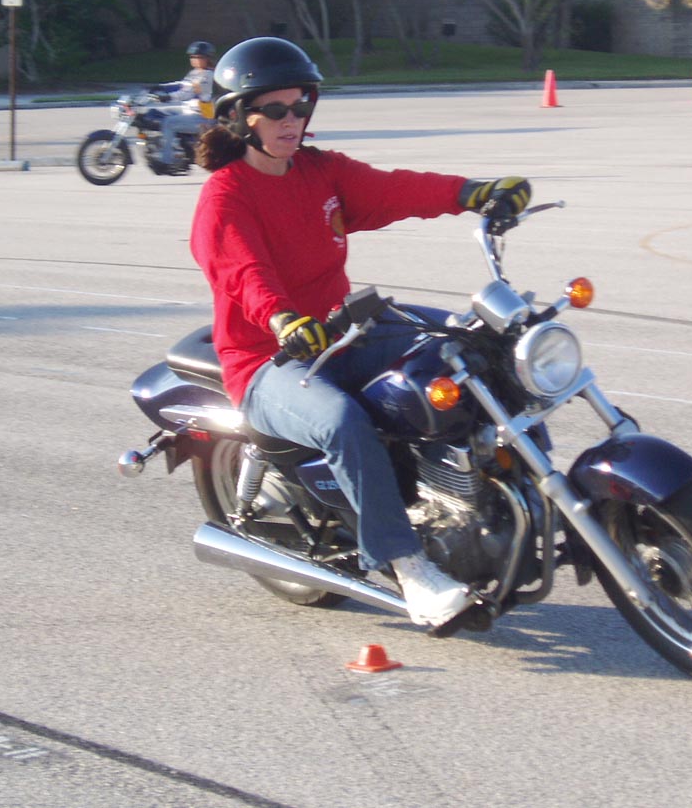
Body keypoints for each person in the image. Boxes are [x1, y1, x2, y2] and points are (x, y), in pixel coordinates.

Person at [188, 36, 531, 629]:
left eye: (301, 105)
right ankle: (411, 569)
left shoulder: (319, 171)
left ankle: (489, 494)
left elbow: (394, 188)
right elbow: (243, 272)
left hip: (343, 333)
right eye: (275, 109)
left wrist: (471, 193)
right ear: (240, 117)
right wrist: (282, 319)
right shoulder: (225, 197)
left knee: (464, 352)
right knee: (341, 421)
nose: (292, 119)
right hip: (270, 360)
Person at [149, 41, 217, 171]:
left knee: (168, 122)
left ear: (208, 58)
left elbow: (188, 93)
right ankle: (175, 146)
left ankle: (166, 161)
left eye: (199, 57)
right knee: (160, 113)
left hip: (204, 118)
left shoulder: (208, 76)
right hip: (190, 112)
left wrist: (169, 97)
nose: (195, 60)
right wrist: (161, 87)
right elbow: (181, 85)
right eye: (193, 57)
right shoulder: (195, 73)